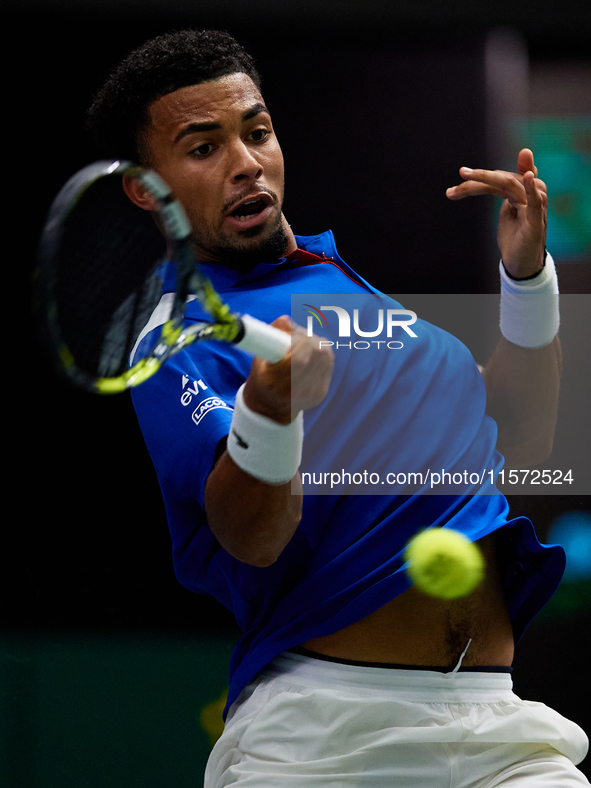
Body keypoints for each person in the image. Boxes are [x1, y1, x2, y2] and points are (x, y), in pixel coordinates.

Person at [86, 29, 588, 786]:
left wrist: (525, 280)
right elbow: (251, 535)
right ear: (143, 186)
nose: (246, 163)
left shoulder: (341, 282)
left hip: (497, 728)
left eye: (256, 133)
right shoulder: (179, 338)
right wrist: (268, 411)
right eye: (202, 148)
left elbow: (521, 437)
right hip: (326, 738)